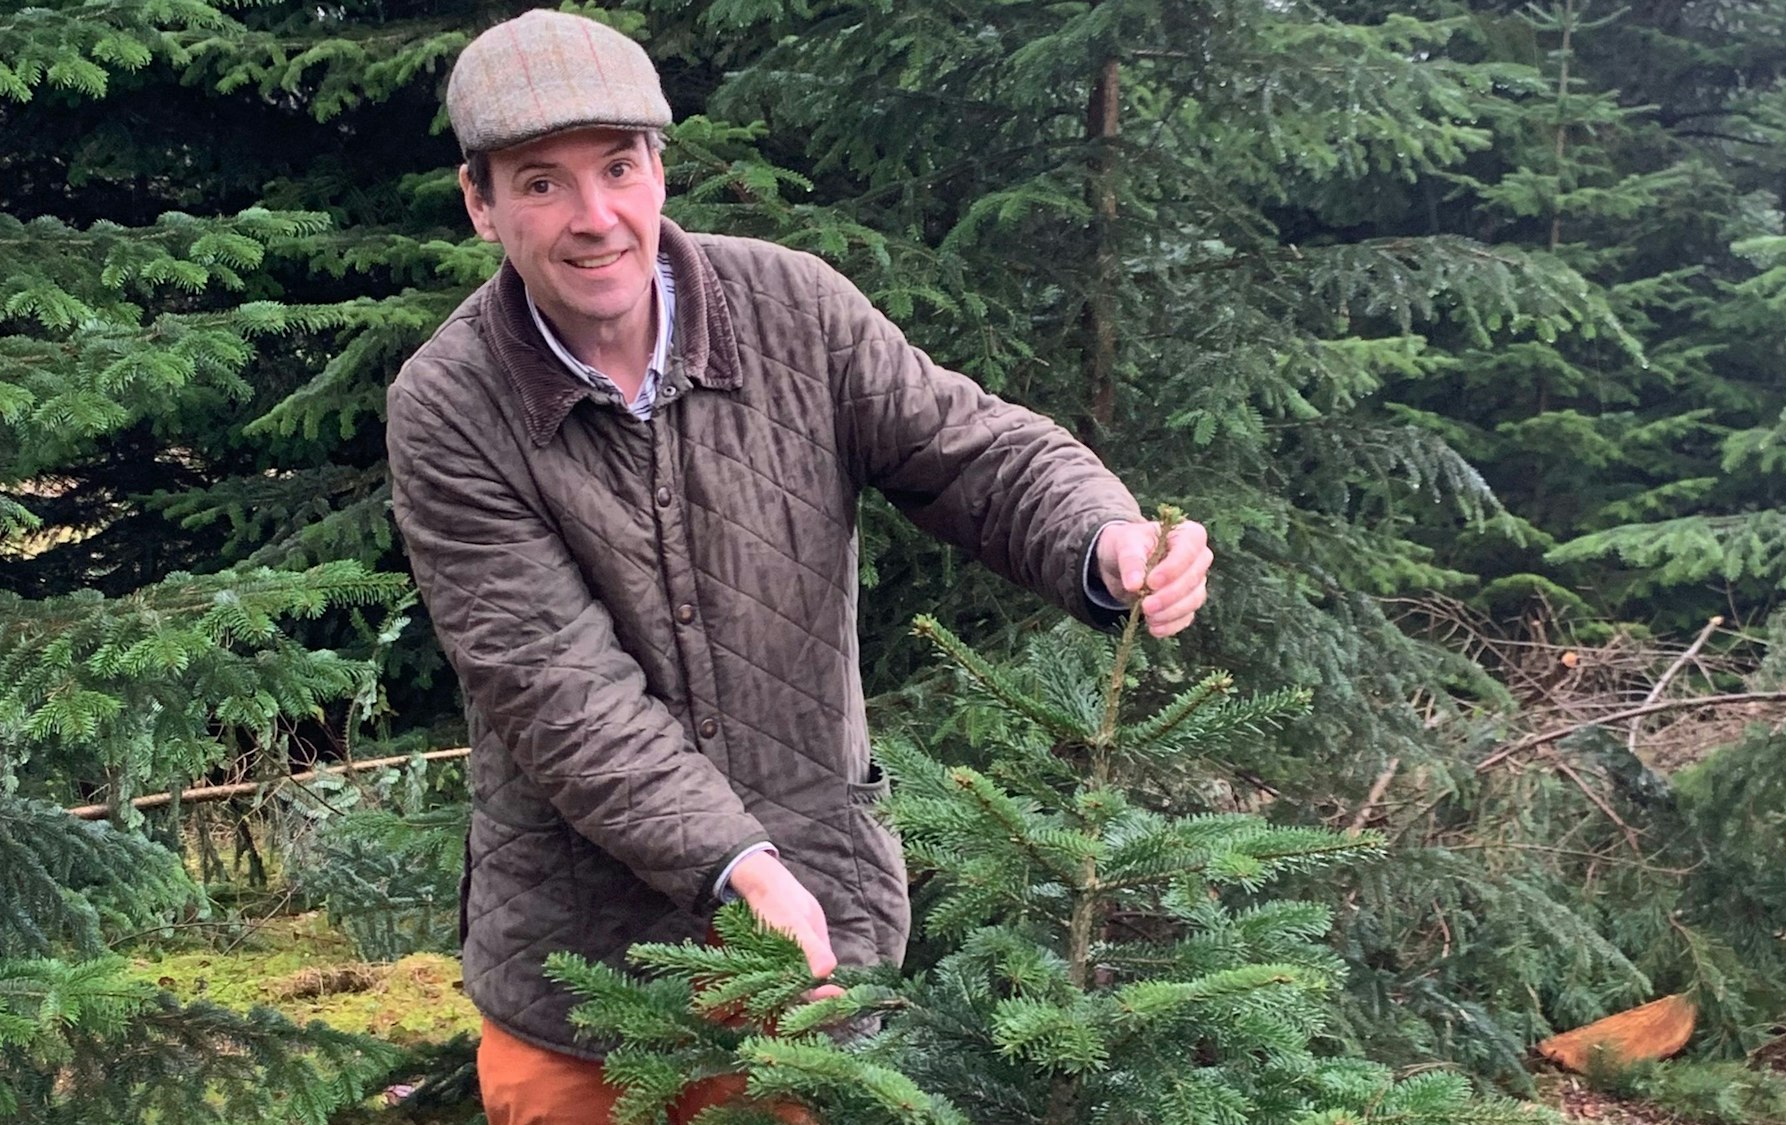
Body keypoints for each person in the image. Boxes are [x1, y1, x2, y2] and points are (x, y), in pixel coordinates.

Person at [384, 9, 1212, 1123]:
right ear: (479, 202)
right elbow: (554, 687)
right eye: (541, 183)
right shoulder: (447, 407)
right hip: (578, 980)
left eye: (619, 168)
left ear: (659, 171)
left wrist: (1104, 538)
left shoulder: (795, 309)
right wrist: (738, 866)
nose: (595, 218)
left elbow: (970, 450)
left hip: (818, 948)